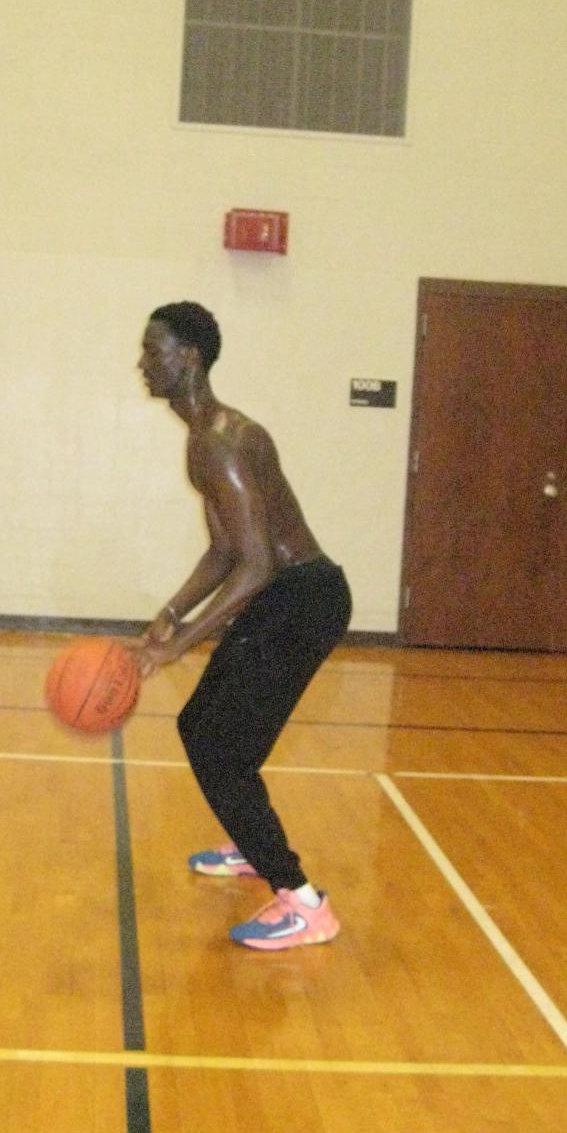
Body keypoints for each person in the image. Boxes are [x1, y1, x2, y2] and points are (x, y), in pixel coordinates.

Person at [131, 301, 352, 951]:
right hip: (285, 595)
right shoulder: (208, 435)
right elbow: (226, 550)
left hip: (300, 599)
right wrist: (171, 612)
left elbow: (256, 564)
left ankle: (305, 905)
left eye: (153, 350)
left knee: (218, 749)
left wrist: (179, 646)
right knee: (202, 726)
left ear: (188, 357)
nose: (142, 363)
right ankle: (252, 842)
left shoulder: (219, 441)